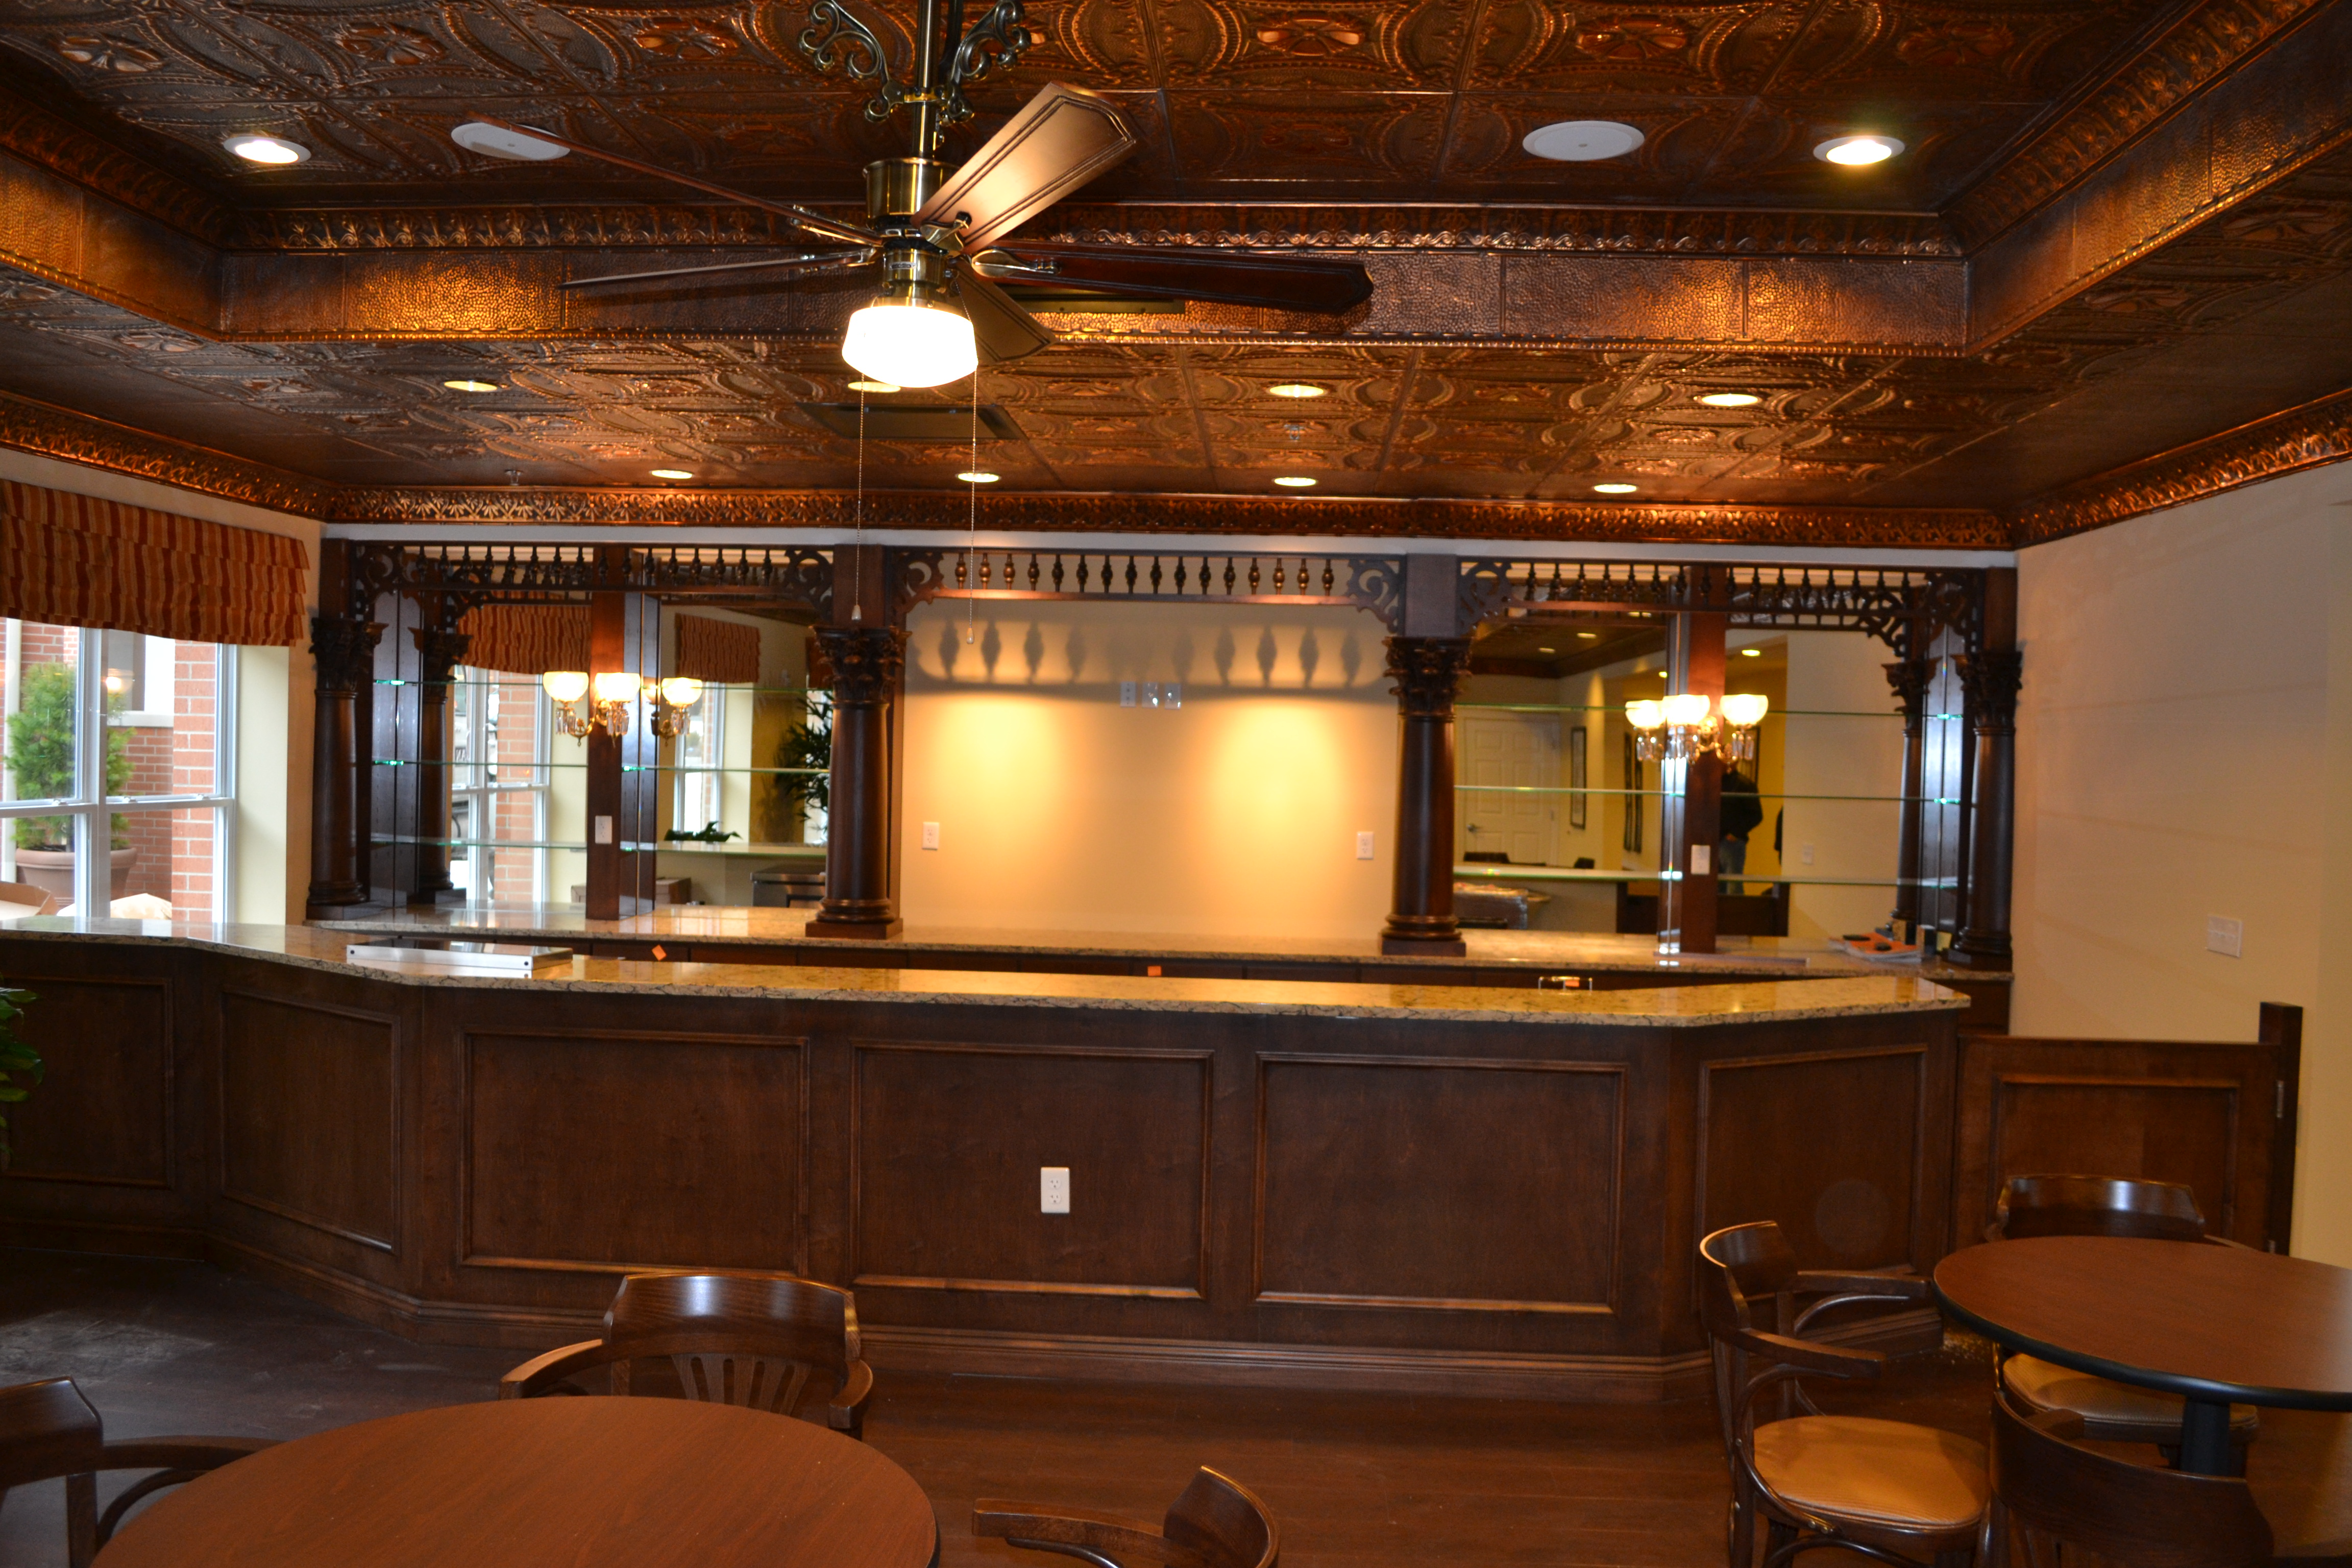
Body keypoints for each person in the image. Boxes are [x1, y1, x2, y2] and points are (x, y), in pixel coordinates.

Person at [1719, 769, 1763, 896]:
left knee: (1733, 888)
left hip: (1731, 843)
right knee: (1715, 888)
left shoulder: (1743, 784)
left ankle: (1734, 910)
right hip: (1713, 841)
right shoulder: (1714, 782)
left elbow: (1756, 815)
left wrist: (1735, 833)